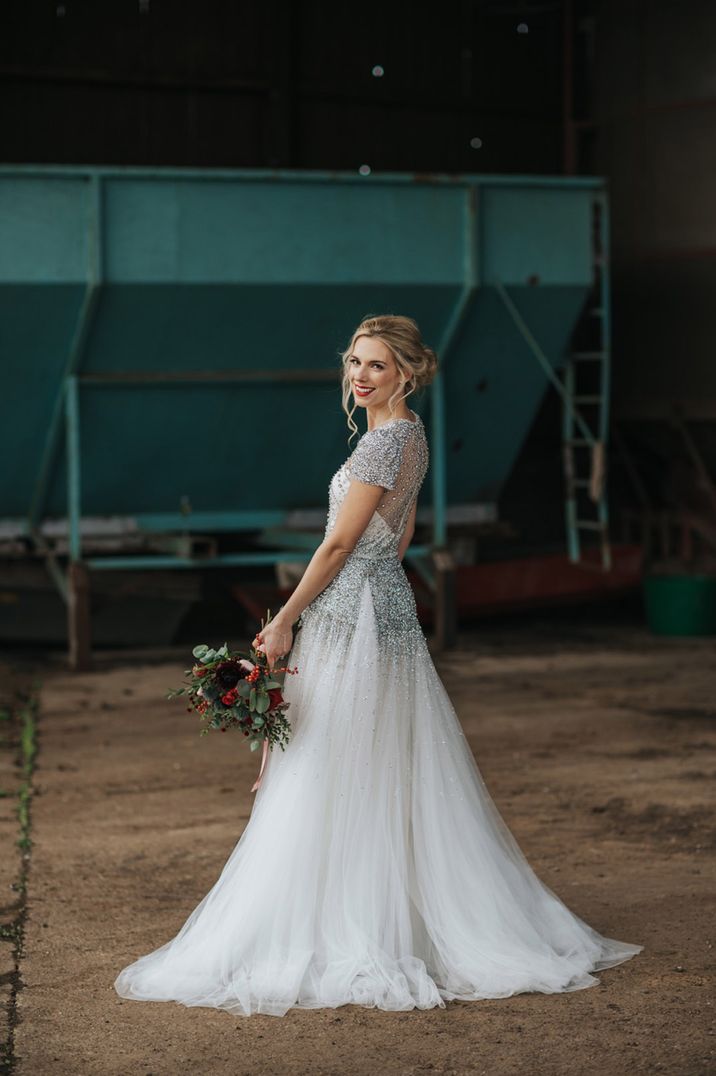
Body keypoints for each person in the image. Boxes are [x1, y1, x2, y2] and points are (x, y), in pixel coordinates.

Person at [114, 314, 643, 1017]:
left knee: (334, 758)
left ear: (406, 374)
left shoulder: (377, 447)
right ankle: (396, 909)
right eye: (355, 363)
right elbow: (401, 540)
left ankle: (347, 923)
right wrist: (369, 595)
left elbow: (337, 548)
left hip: (352, 613)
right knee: (380, 757)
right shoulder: (412, 437)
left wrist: (283, 619)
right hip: (386, 608)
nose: (359, 376)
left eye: (376, 366)